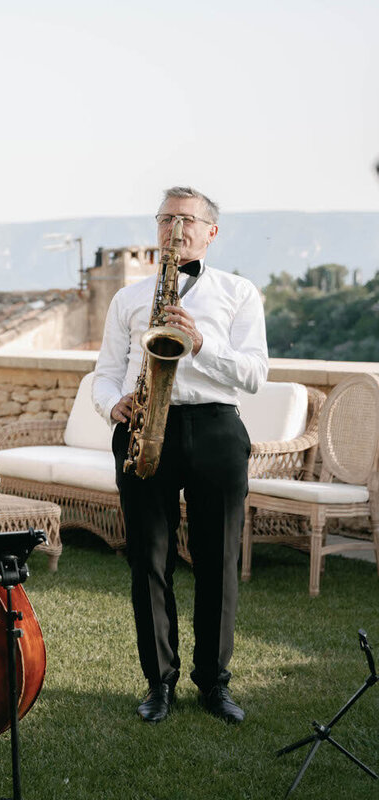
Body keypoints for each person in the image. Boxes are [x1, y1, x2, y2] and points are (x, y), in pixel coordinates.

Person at [92, 186, 268, 725]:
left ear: (210, 231)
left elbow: (255, 376)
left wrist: (200, 345)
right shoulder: (128, 299)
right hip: (145, 424)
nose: (175, 228)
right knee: (148, 559)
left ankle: (214, 683)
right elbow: (103, 373)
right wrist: (110, 404)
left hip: (214, 428)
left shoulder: (239, 293)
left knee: (218, 559)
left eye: (187, 220)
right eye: (166, 218)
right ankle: (158, 683)